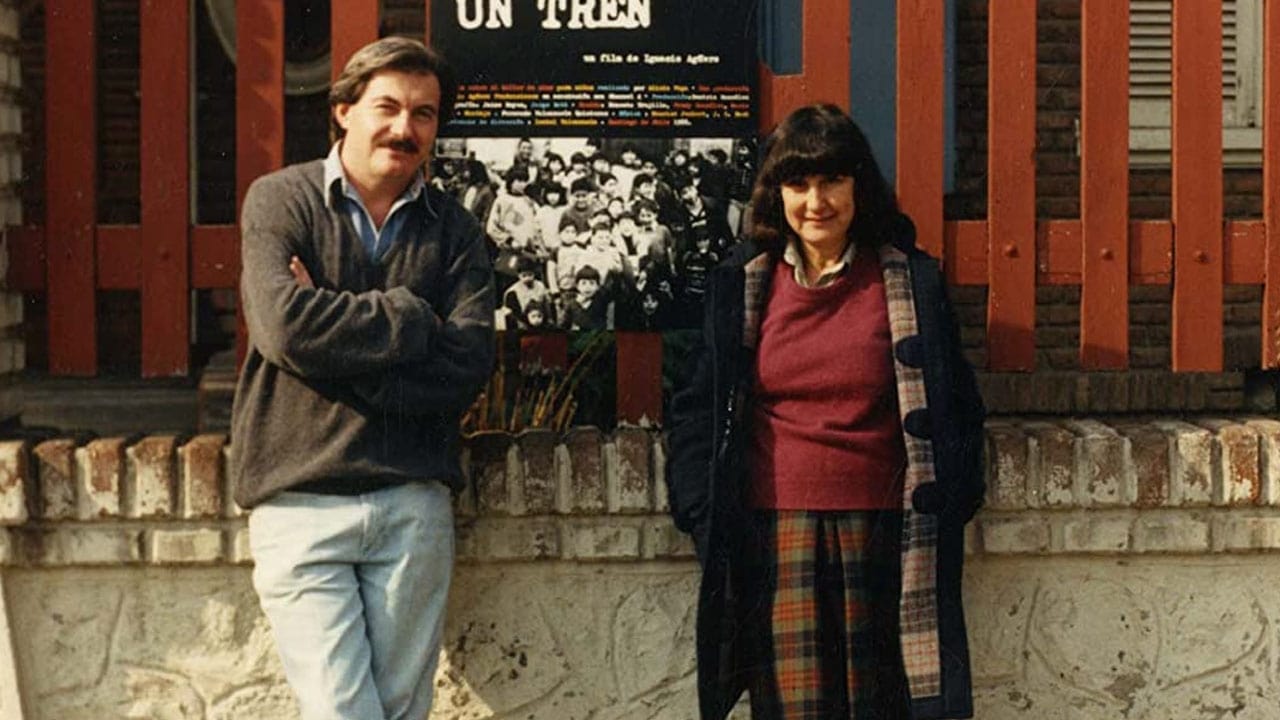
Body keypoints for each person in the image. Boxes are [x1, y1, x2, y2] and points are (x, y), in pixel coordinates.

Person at [666, 104, 984, 720]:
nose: (817, 201)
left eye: (833, 180)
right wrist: (706, 518)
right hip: (777, 537)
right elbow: (696, 410)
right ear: (776, 193)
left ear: (859, 186)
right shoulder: (745, 283)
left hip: (887, 539)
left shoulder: (908, 281)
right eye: (798, 183)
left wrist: (951, 502)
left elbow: (959, 408)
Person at [231, 37, 495, 720]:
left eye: (425, 114)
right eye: (387, 107)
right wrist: (412, 319)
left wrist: (332, 360)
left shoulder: (456, 231)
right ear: (344, 110)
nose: (405, 129)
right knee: (343, 712)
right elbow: (283, 329)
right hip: (299, 499)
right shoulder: (281, 201)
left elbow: (466, 366)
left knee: (403, 712)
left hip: (411, 504)